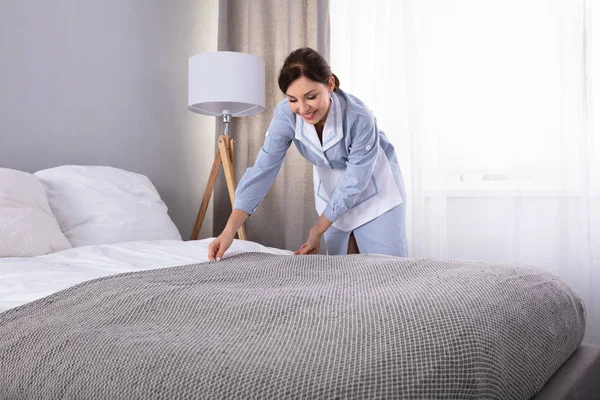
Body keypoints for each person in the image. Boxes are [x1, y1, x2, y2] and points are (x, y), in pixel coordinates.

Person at [208, 47, 407, 260]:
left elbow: (354, 183)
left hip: (375, 193)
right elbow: (262, 171)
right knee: (344, 272)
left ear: (330, 84)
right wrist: (228, 232)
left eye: (310, 97)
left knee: (387, 271)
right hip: (332, 193)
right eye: (292, 99)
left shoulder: (359, 118)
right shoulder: (286, 116)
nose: (303, 109)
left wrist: (316, 231)